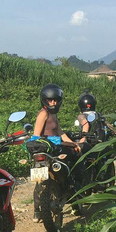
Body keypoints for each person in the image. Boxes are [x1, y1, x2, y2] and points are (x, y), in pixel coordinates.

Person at [30, 84, 82, 222]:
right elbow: (36, 136)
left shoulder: (53, 114)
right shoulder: (43, 114)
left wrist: (73, 143)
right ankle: (37, 209)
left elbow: (60, 133)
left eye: (55, 100)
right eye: (50, 100)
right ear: (44, 100)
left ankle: (40, 209)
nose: (53, 103)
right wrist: (64, 143)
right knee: (40, 179)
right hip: (47, 148)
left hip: (55, 146)